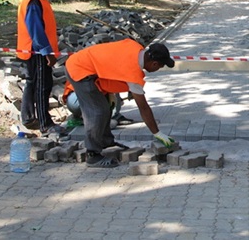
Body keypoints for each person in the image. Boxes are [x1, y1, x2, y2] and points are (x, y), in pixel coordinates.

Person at [65, 39, 176, 168]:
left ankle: (106, 142)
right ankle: (92, 154)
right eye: (161, 67)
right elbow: (143, 107)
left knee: (105, 108)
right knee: (97, 112)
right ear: (154, 64)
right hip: (80, 70)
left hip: (84, 64)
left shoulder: (135, 47)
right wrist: (157, 133)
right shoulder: (132, 72)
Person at [17, 0, 64, 136]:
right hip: (36, 51)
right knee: (43, 85)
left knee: (31, 83)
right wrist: (47, 53)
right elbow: (36, 30)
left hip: (30, 50)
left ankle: (28, 117)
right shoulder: (34, 1)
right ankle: (45, 123)